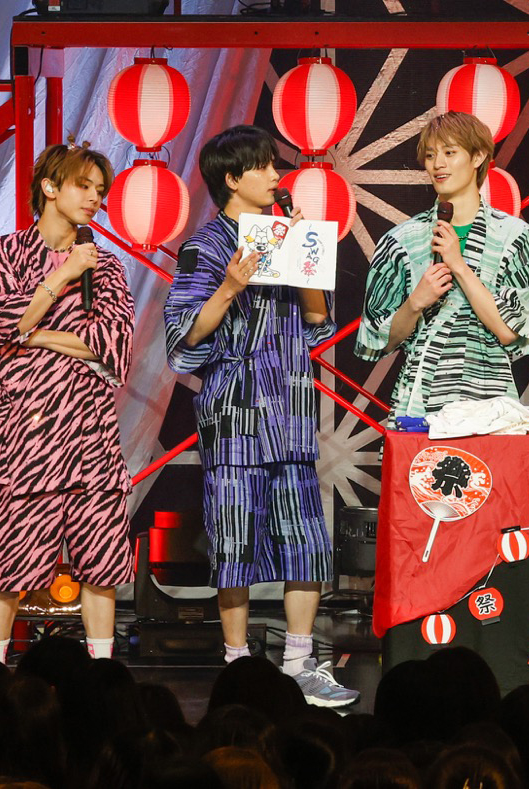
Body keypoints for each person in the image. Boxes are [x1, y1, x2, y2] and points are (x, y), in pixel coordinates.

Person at [163, 124, 357, 708]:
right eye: (265, 166)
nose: (277, 175)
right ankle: (238, 666)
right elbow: (184, 339)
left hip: (291, 407)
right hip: (235, 412)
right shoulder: (205, 247)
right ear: (232, 178)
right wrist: (229, 287)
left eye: (276, 165)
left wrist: (305, 257)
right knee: (234, 541)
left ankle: (300, 662)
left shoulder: (287, 231)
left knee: (305, 540)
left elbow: (318, 320)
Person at [0, 141, 134, 663]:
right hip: (24, 433)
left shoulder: (106, 267)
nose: (94, 198)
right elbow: (3, 322)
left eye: (100, 190)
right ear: (49, 187)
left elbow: (113, 346)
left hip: (90, 432)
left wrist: (33, 333)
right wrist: (61, 276)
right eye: (83, 186)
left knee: (102, 566)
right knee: (7, 567)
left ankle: (102, 674)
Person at [354, 111, 529, 417]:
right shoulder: (402, 240)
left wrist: (459, 265)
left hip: (489, 403)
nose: (438, 164)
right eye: (431, 155)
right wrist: (415, 303)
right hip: (419, 404)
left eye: (449, 153)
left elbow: (508, 331)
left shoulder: (516, 237)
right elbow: (376, 340)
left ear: (478, 157)